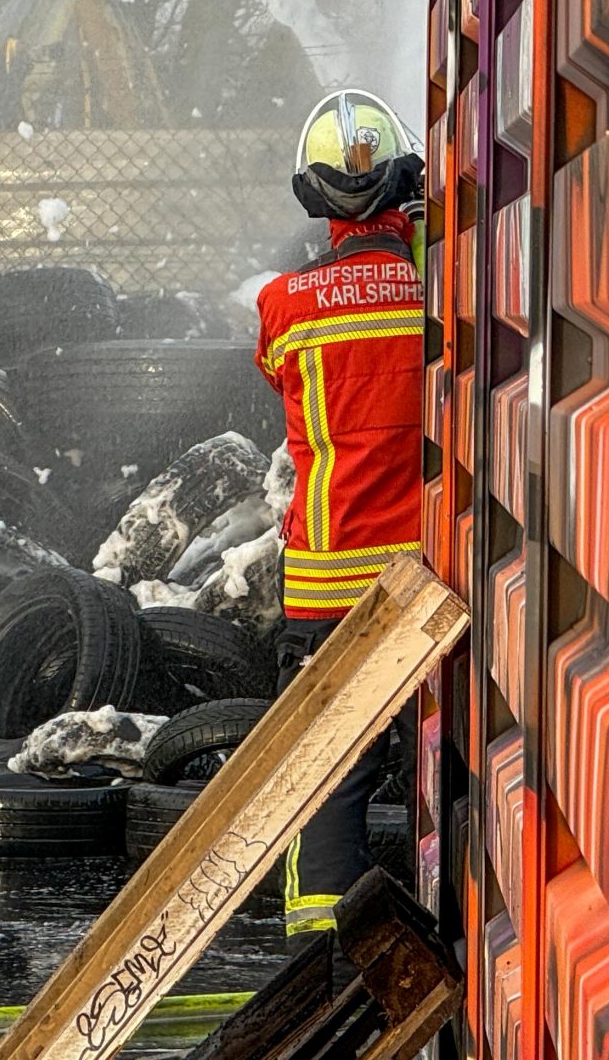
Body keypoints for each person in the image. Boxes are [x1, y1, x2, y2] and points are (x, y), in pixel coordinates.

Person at [252, 88, 426, 960]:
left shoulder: (284, 304)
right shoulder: (435, 288)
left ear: (311, 193)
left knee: (328, 778)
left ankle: (320, 970)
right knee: (439, 757)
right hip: (425, 576)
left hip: (325, 577)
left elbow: (281, 377)